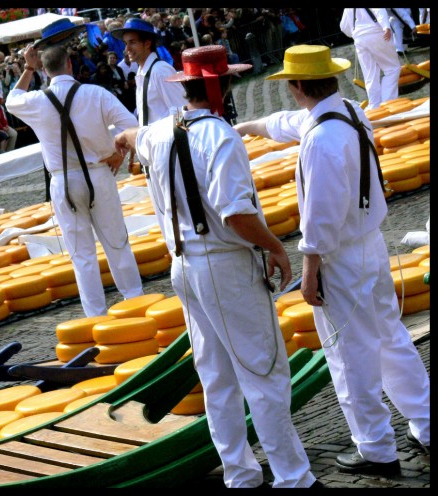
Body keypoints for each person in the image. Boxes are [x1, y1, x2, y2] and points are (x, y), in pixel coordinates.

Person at [114, 44, 324, 490]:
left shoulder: (159, 132)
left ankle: (240, 475)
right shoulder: (221, 136)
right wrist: (276, 247)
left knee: (217, 377)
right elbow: (236, 215)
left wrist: (122, 139)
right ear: (221, 86)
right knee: (264, 371)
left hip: (183, 267)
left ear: (185, 87)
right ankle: (294, 478)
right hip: (226, 266)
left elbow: (134, 136)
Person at [234, 44, 430, 476]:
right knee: (391, 338)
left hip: (339, 258)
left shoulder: (321, 141)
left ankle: (376, 449)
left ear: (298, 85)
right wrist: (248, 126)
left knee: (348, 355)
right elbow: (288, 125)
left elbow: (319, 218)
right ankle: (427, 424)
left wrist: (309, 271)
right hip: (371, 245)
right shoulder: (346, 111)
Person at [5, 19, 144, 318]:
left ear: (45, 71)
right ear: (69, 65)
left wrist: (27, 69)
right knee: (117, 242)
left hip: (63, 181)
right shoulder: (95, 93)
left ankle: (96, 315)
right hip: (98, 173)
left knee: (82, 254)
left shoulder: (35, 101)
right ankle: (135, 300)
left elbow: (10, 101)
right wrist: (118, 152)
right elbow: (132, 126)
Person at [111, 18, 187, 228]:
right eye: (126, 43)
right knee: (165, 218)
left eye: (132, 42)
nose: (127, 48)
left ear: (147, 43)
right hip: (154, 157)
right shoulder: (142, 73)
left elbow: (181, 113)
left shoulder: (160, 70)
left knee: (177, 218)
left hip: (170, 156)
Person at [340, 8, 401, 110]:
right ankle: (387, 102)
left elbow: (344, 27)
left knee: (370, 74)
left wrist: (356, 32)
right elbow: (379, 10)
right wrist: (386, 26)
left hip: (359, 39)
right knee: (392, 69)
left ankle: (374, 105)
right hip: (376, 33)